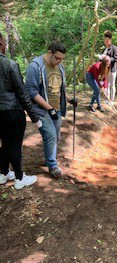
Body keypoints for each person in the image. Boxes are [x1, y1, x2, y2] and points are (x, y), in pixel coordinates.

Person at [26, 41, 77, 178]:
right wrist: (49, 108)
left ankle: (50, 158)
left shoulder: (60, 68)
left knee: (56, 136)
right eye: (57, 58)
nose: (60, 61)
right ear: (50, 53)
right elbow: (32, 92)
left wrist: (69, 99)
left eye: (62, 59)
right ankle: (52, 165)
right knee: (50, 135)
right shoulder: (35, 67)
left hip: (57, 108)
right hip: (42, 110)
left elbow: (60, 88)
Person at [0, 32, 42, 189]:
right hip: (12, 112)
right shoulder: (10, 65)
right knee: (15, 145)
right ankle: (19, 178)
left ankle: (3, 174)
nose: (6, 46)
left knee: (4, 143)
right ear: (1, 44)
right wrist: (35, 117)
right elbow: (22, 93)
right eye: (4, 42)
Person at [96, 30, 117, 102]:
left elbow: (115, 58)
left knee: (112, 85)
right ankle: (107, 98)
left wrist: (108, 58)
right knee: (106, 84)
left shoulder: (114, 48)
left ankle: (112, 100)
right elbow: (102, 60)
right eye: (105, 41)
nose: (106, 43)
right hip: (105, 70)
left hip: (112, 69)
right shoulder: (104, 49)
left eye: (107, 41)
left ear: (110, 40)